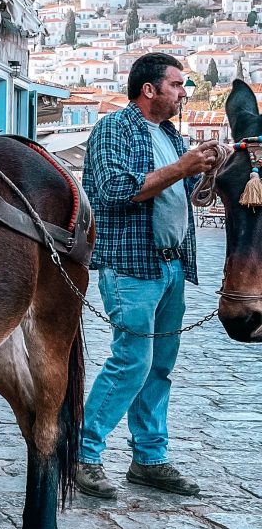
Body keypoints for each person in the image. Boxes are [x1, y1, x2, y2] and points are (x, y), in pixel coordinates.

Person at [77, 52, 220, 498]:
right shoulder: (113, 129)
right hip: (132, 266)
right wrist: (182, 167)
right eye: (177, 85)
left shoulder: (171, 135)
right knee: (131, 363)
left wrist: (205, 173)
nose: (182, 93)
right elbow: (115, 191)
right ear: (149, 89)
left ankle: (149, 459)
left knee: (160, 367)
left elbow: (185, 194)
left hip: (172, 265)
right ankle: (83, 453)